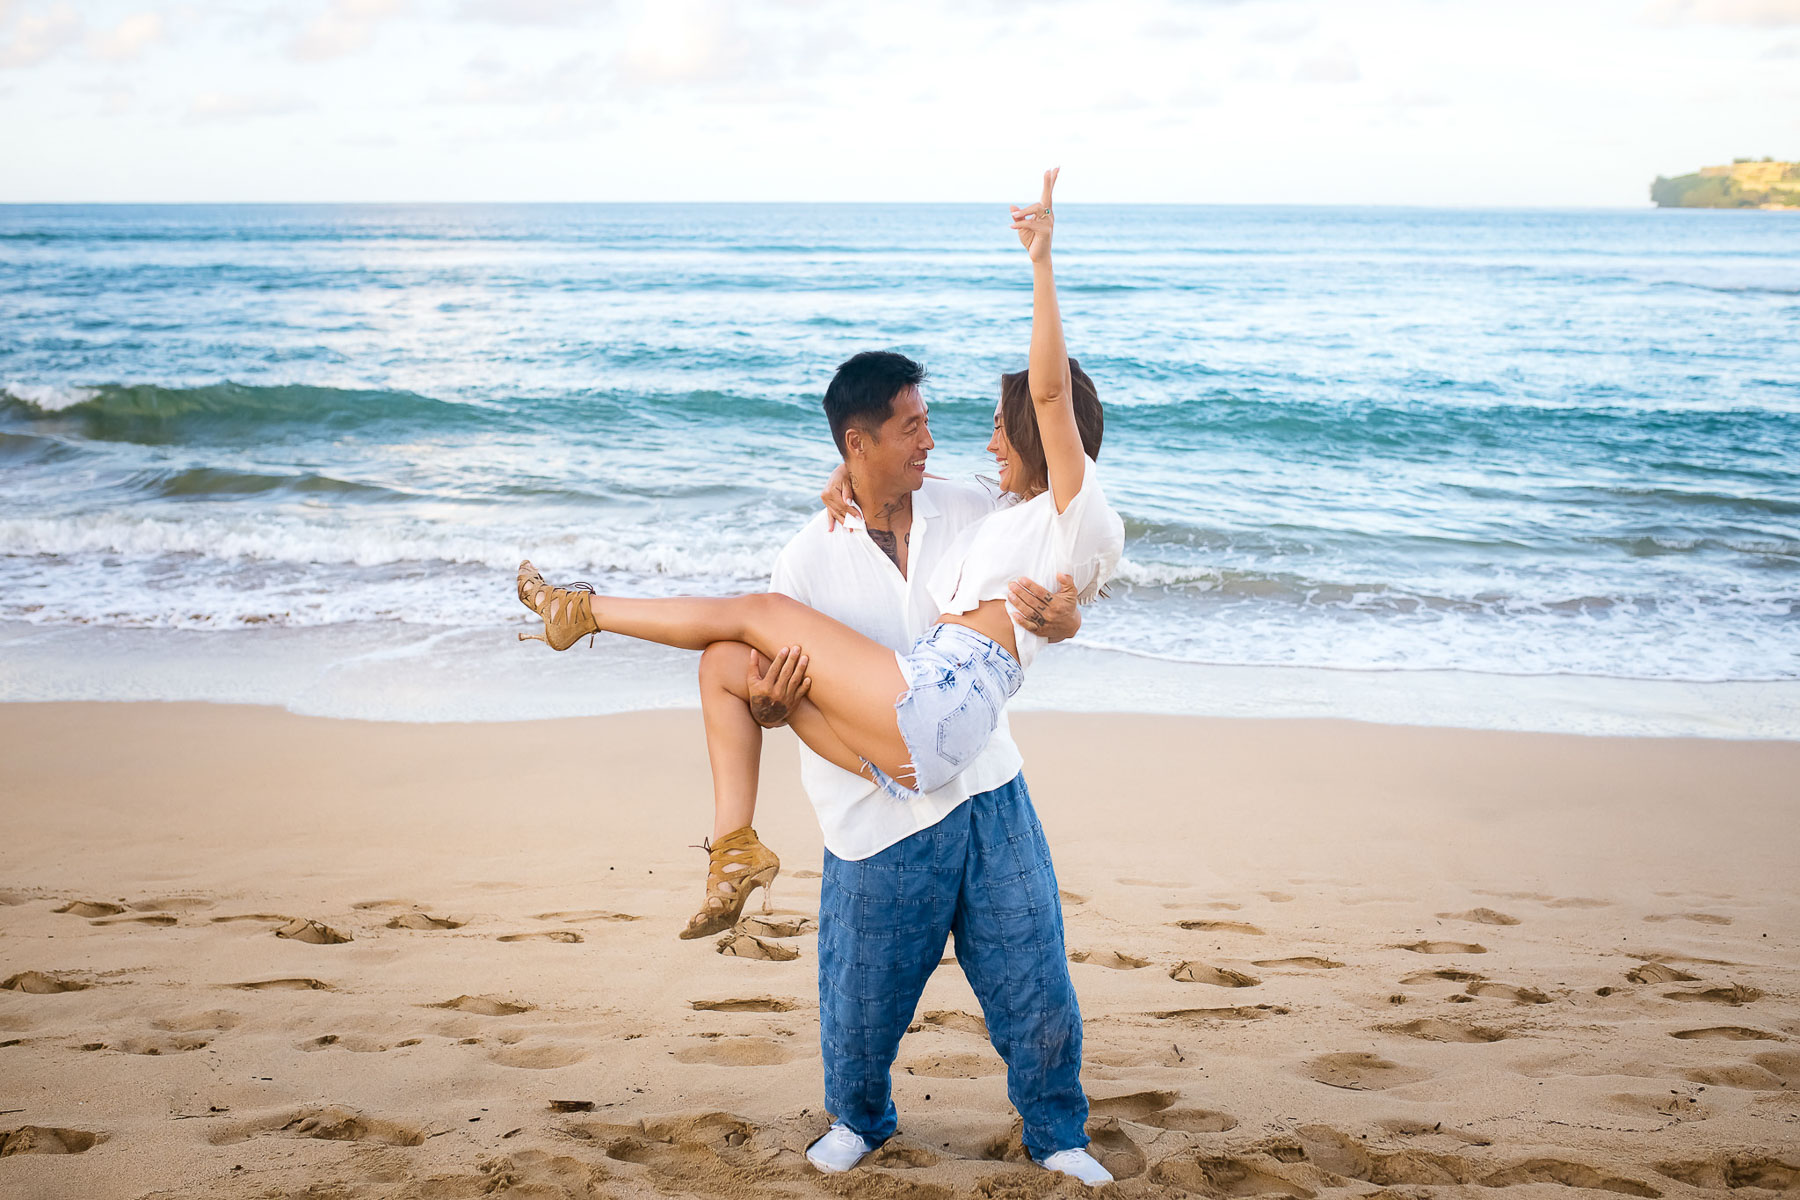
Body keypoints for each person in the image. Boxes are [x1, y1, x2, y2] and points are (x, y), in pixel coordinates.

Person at [516, 168, 1123, 1185]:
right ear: (859, 443)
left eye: (953, 421)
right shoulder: (813, 552)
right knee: (856, 985)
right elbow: (780, 688)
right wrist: (768, 701)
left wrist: (1067, 618)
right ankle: (856, 1107)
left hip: (980, 776)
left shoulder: (986, 505)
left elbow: (1061, 512)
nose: (942, 439)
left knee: (1033, 976)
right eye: (913, 427)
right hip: (877, 794)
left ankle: (1058, 1133)